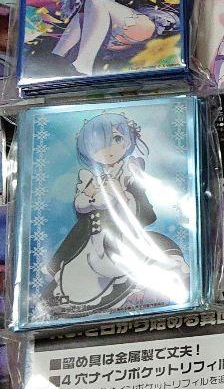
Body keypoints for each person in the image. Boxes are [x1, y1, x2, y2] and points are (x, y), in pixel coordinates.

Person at [47, 112, 188, 314]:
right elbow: (82, 210)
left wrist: (121, 195)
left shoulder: (130, 172)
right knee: (79, 270)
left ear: (127, 140)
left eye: (117, 139)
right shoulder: (92, 179)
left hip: (123, 233)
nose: (108, 149)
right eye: (98, 144)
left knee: (125, 263)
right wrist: (89, 196)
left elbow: (142, 209)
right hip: (93, 238)